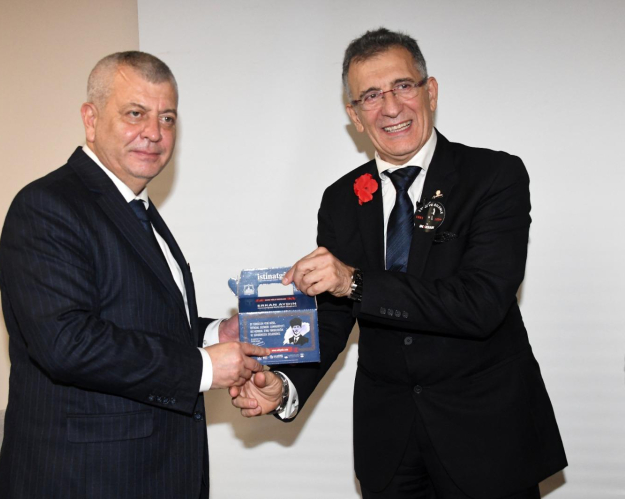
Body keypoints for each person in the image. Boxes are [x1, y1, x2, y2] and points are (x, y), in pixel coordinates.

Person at [231, 28, 567, 499]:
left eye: (403, 86)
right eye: (371, 95)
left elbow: (482, 303)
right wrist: (285, 385)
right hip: (388, 445)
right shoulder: (341, 199)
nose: (390, 107)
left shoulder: (494, 176)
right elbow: (333, 316)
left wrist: (356, 282)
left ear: (430, 92)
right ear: (354, 115)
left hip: (487, 437)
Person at [0, 51, 268, 499]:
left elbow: (136, 321)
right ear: (91, 119)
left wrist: (216, 333)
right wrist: (201, 367)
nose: (154, 133)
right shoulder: (47, 206)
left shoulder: (137, 208)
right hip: (84, 481)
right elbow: (67, 343)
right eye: (135, 114)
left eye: (167, 118)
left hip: (152, 473)